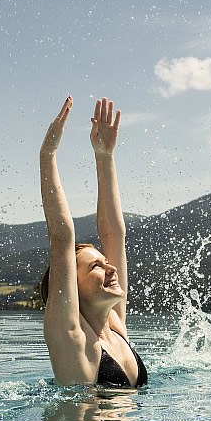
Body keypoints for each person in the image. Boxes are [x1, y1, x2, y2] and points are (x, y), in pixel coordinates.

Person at [37, 96, 148, 388]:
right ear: (74, 288)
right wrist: (47, 155)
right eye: (96, 267)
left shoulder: (114, 325)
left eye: (105, 262)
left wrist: (105, 155)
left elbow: (114, 234)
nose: (111, 268)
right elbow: (62, 237)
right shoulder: (74, 340)